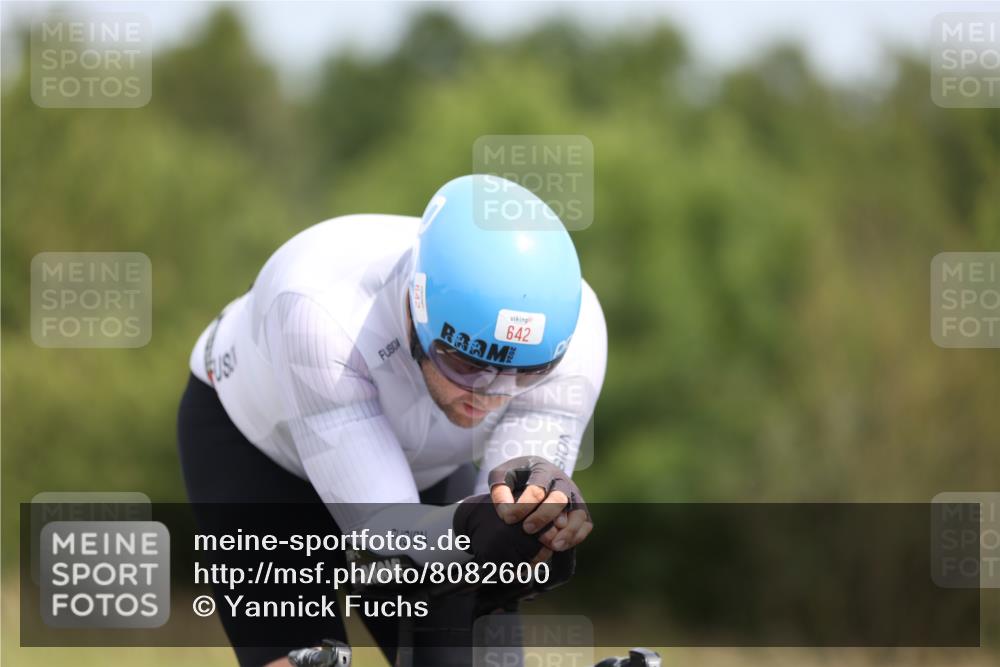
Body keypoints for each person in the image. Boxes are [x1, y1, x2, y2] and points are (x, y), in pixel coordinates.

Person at [177, 174, 608, 666]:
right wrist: (472, 526)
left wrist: (530, 522)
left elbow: (512, 493)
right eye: (466, 364)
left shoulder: (579, 333)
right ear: (414, 308)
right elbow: (386, 537)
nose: (489, 396)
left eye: (523, 375)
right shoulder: (319, 309)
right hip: (259, 450)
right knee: (306, 658)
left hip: (422, 472)